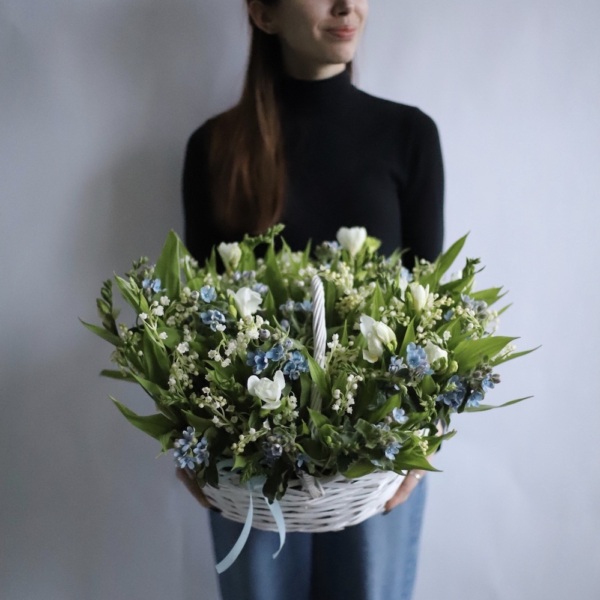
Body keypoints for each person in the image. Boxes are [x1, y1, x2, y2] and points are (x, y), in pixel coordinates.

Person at [179, 1, 444, 599]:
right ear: (265, 14)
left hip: (376, 454)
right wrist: (189, 442)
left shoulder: (409, 136)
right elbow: (193, 322)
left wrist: (423, 444)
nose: (348, 5)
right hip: (247, 453)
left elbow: (432, 312)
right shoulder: (215, 148)